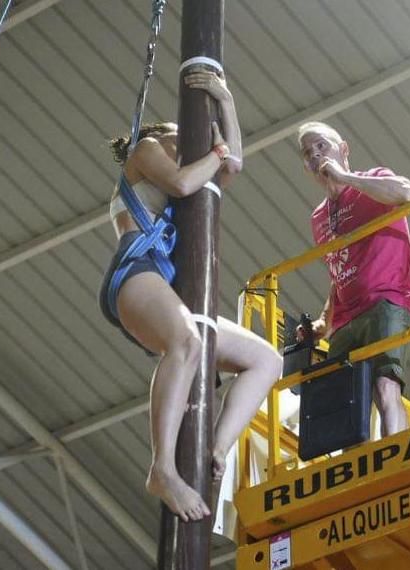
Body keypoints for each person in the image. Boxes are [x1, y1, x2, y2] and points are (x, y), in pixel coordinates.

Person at [99, 70, 282, 522]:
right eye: (187, 137)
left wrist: (227, 102)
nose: (196, 146)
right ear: (166, 134)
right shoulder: (147, 152)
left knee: (267, 360)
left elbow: (232, 165)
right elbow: (183, 182)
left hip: (166, 286)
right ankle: (161, 468)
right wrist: (217, 149)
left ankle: (215, 448)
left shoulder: (195, 169)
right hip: (136, 273)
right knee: (187, 343)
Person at [296, 121, 410, 437]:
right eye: (308, 153)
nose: (315, 155)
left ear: (343, 149)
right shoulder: (318, 218)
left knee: (384, 383)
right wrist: (325, 320)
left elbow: (405, 191)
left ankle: (394, 460)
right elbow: (338, 269)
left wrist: (345, 178)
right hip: (346, 319)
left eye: (321, 145)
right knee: (345, 407)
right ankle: (356, 474)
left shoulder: (373, 180)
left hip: (386, 300)